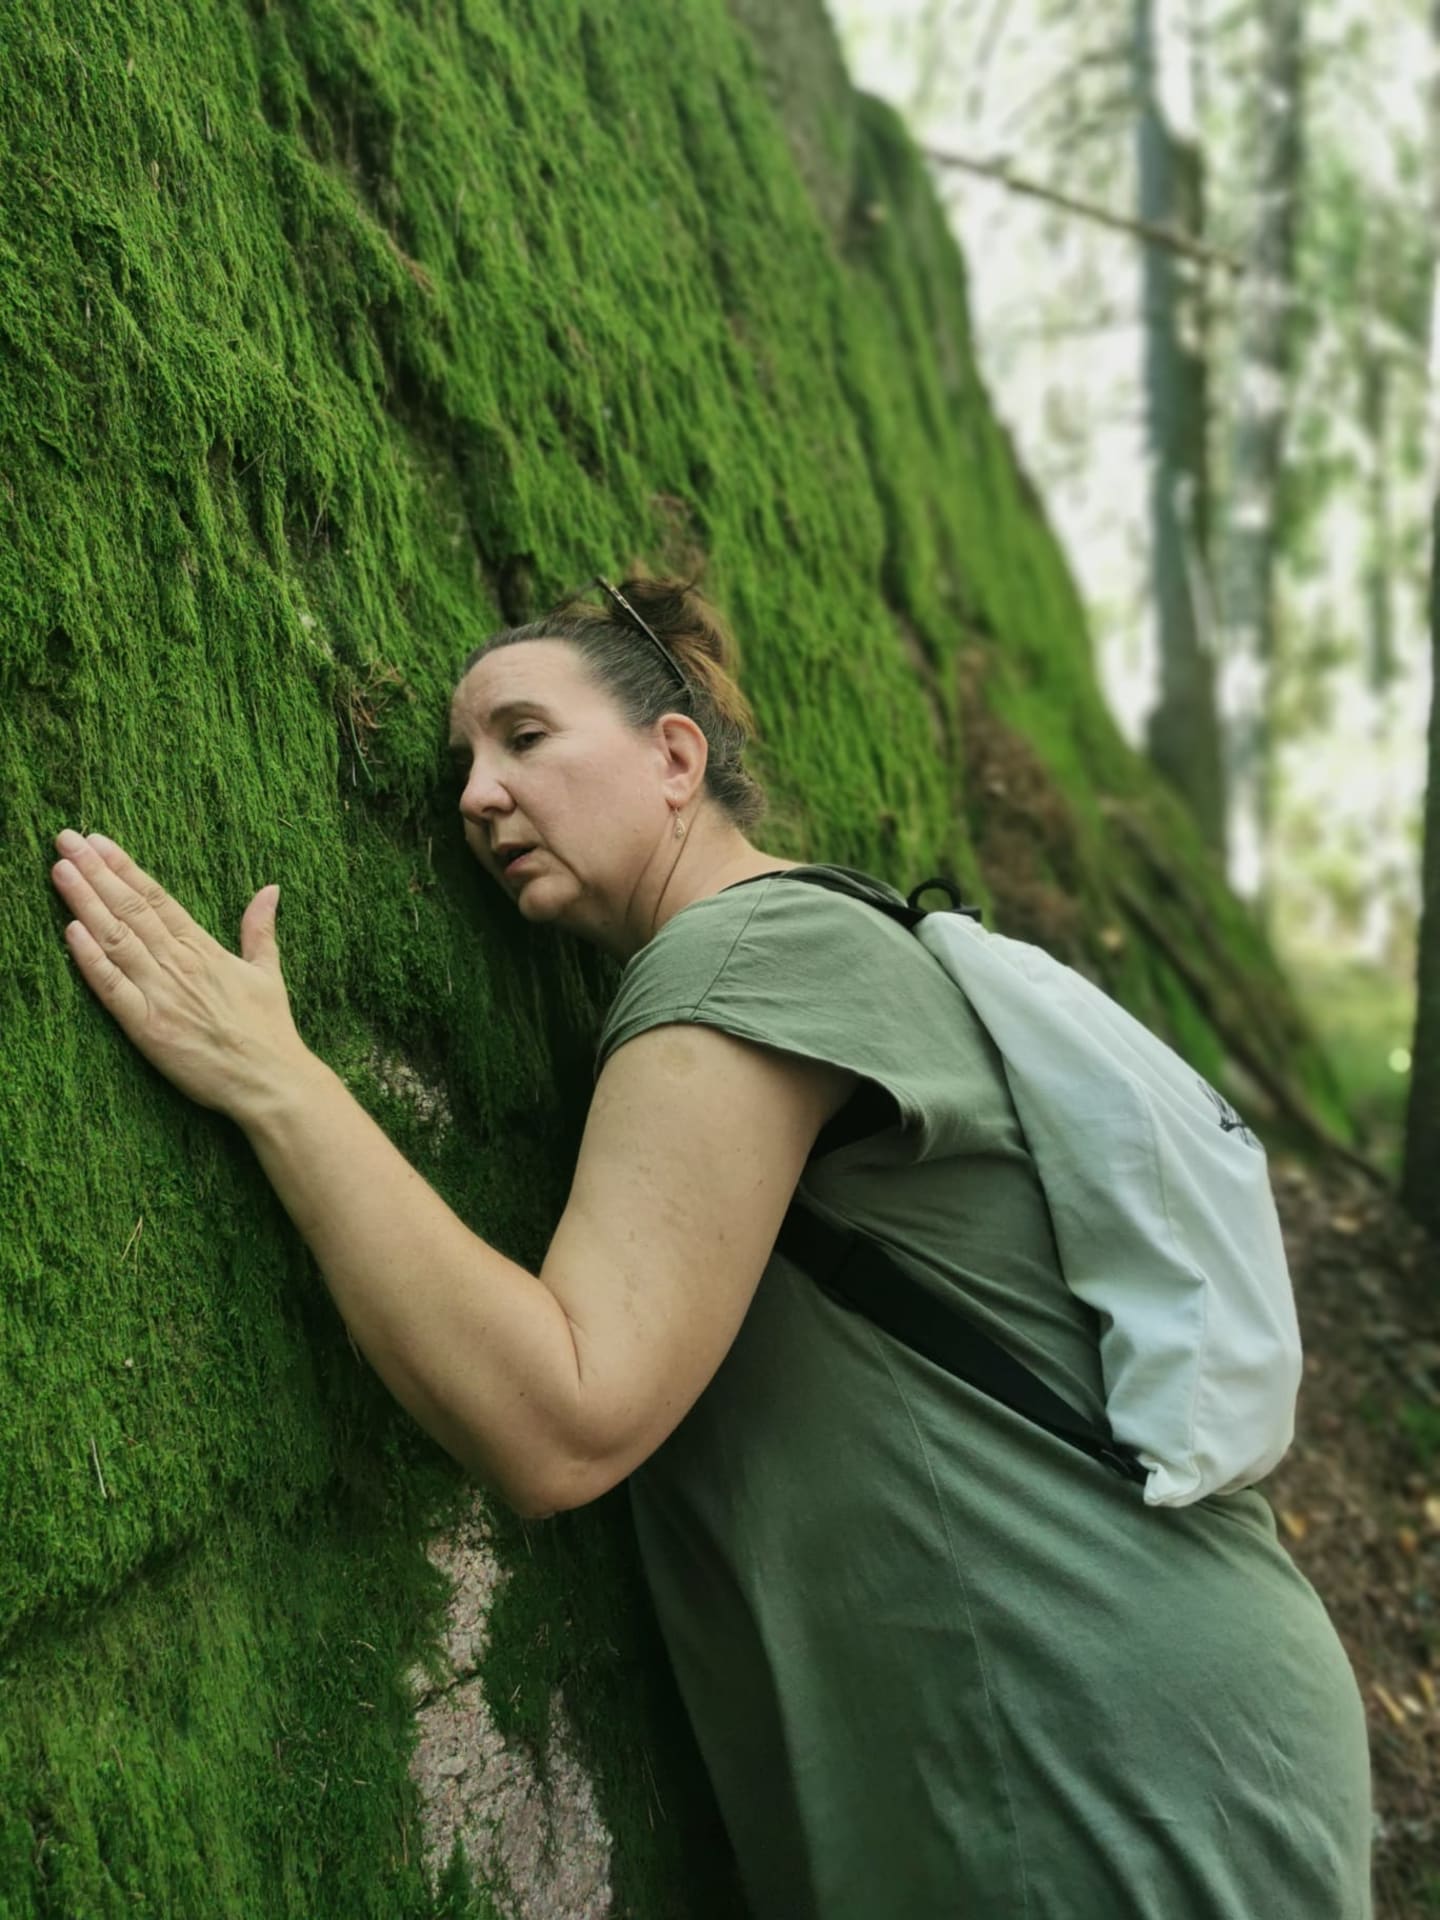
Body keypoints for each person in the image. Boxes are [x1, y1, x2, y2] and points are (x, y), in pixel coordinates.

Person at [48, 574, 1372, 1918]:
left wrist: (276, 1081)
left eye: (525, 737)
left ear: (675, 757)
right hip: (1167, 1727)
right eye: (461, 766)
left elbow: (560, 1416)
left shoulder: (748, 956)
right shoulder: (824, 937)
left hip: (1098, 1749)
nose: (477, 796)